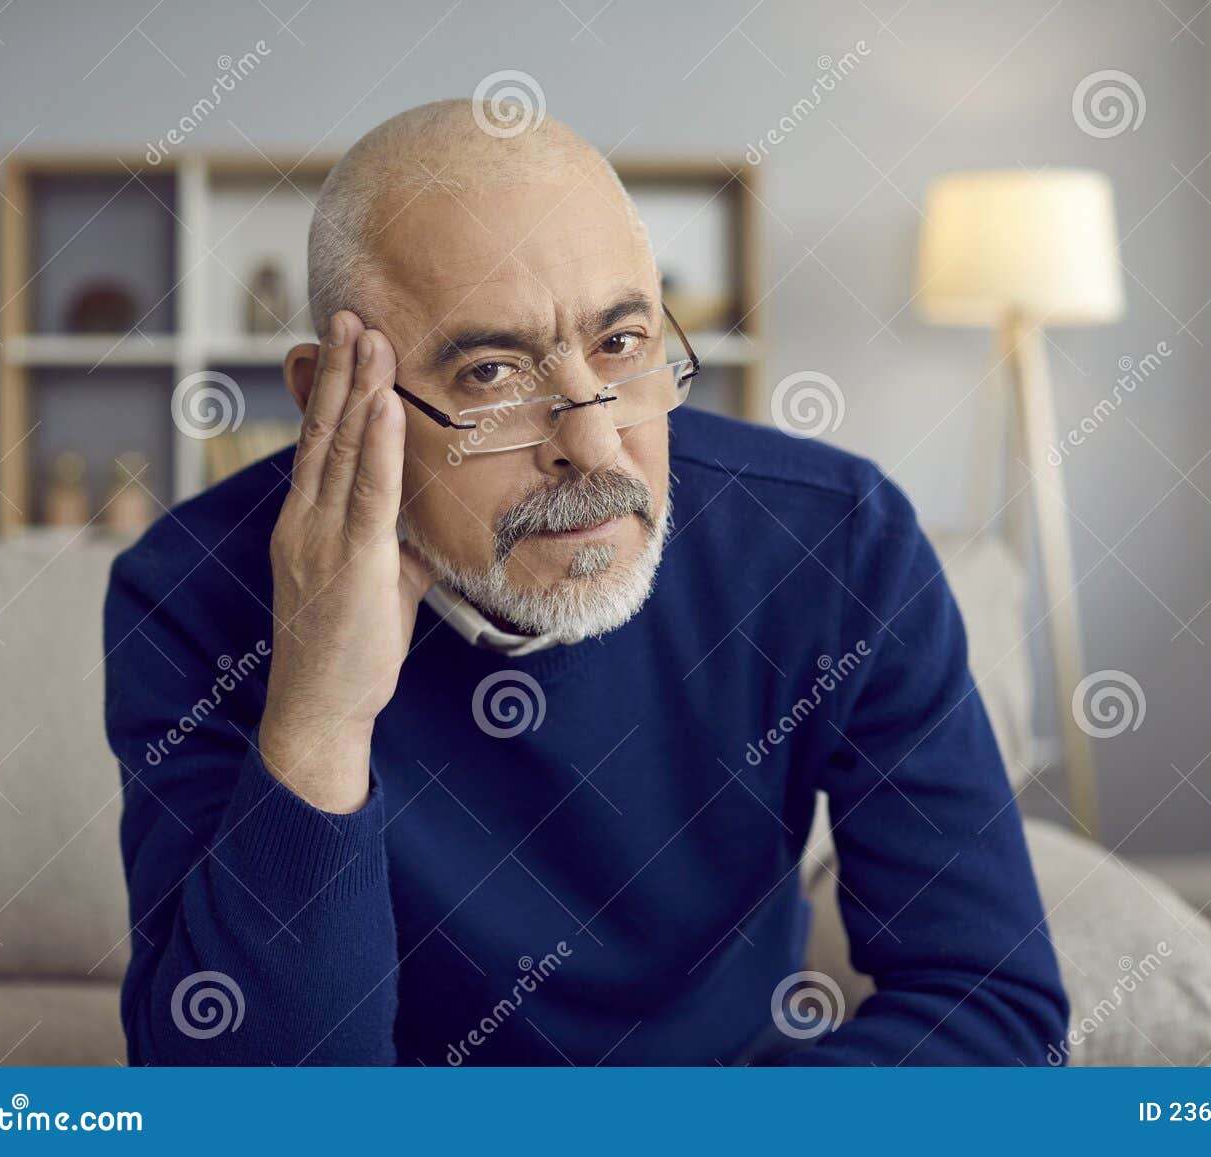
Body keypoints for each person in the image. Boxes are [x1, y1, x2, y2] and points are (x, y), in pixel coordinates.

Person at [103, 98, 1067, 1066]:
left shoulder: (837, 542)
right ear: (330, 398)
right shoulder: (188, 596)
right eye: (491, 372)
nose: (596, 446)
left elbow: (991, 1009)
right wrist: (318, 718)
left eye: (621, 343)